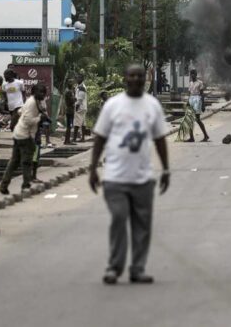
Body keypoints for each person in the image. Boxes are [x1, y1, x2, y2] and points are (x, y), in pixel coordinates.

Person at [88, 64, 170, 285]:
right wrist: (93, 168)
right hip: (114, 177)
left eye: (140, 76)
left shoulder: (152, 106)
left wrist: (166, 169)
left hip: (143, 178)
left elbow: (160, 139)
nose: (135, 79)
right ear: (125, 78)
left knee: (142, 225)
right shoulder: (112, 106)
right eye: (132, 75)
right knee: (118, 217)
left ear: (145, 79)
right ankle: (114, 267)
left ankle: (138, 268)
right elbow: (100, 137)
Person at [0, 82, 45, 195]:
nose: (43, 94)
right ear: (34, 92)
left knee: (14, 161)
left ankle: (4, 184)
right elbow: (28, 120)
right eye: (41, 92)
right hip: (25, 136)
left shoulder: (31, 101)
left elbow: (20, 112)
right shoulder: (32, 103)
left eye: (44, 92)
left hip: (18, 133)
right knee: (26, 161)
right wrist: (39, 118)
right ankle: (26, 185)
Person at [185, 70, 210, 143]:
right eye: (191, 74)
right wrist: (188, 102)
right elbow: (189, 93)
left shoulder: (200, 83)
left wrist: (203, 104)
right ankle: (191, 137)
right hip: (191, 99)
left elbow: (202, 94)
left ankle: (206, 135)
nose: (192, 75)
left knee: (197, 119)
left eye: (193, 74)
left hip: (197, 99)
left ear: (196, 75)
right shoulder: (190, 83)